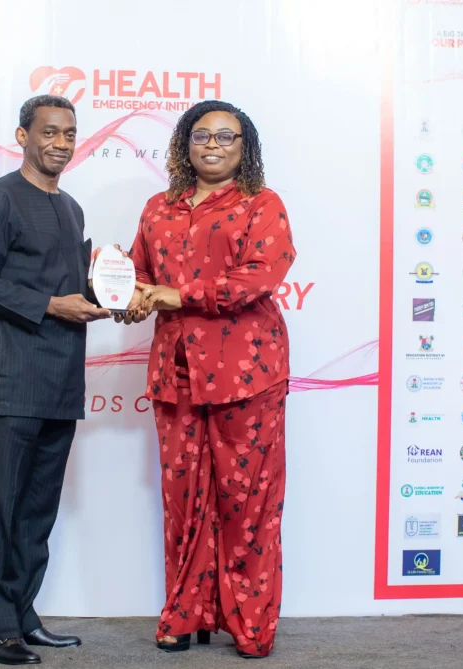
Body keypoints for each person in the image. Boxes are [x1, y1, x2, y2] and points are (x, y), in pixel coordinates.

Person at [117, 100, 296, 658]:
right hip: (176, 373)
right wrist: (129, 295)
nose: (212, 145)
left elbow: (260, 275)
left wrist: (177, 295)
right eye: (201, 136)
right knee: (183, 500)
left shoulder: (261, 204)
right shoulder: (158, 208)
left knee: (247, 503)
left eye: (225, 137)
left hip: (248, 373)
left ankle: (250, 626)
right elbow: (139, 272)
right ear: (184, 143)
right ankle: (184, 614)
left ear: (245, 148)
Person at [0, 94, 110, 666]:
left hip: (63, 378)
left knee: (38, 509)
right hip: (14, 376)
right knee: (1, 505)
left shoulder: (71, 208)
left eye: (69, 134)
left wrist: (112, 294)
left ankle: (23, 616)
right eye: (49, 132)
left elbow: (72, 289)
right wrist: (50, 305)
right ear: (22, 136)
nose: (61, 143)